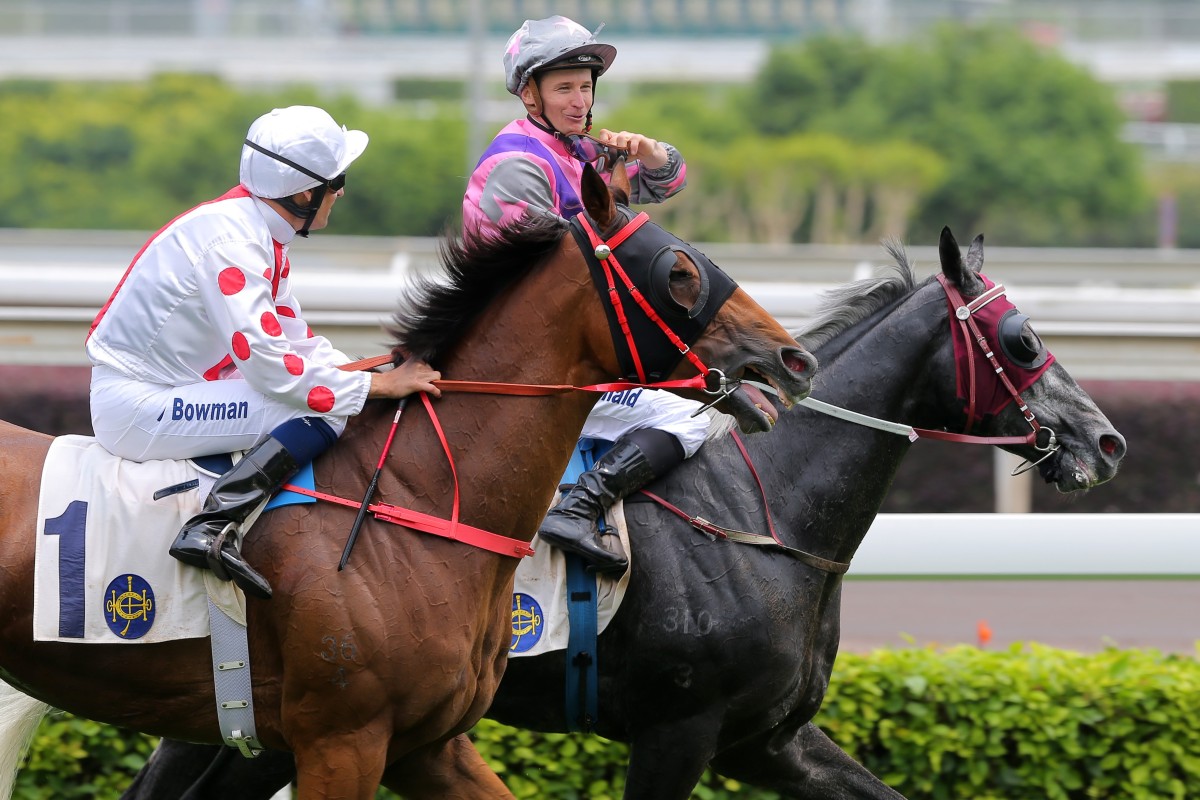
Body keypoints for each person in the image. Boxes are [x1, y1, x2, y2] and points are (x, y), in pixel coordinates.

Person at [87, 105, 441, 600]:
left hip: (175, 387)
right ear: (303, 192)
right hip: (137, 407)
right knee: (329, 410)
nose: (341, 193)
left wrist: (372, 366)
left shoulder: (258, 233)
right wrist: (373, 387)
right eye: (337, 181)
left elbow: (294, 340)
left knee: (331, 393)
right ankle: (211, 525)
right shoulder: (233, 241)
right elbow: (271, 367)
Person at [463, 16, 705, 575]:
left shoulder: (576, 151)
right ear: (530, 93)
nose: (579, 101)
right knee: (688, 419)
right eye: (564, 88)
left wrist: (645, 153)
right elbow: (562, 273)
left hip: (556, 349)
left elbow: (670, 180)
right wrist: (615, 191)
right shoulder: (516, 164)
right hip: (523, 361)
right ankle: (579, 507)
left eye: (586, 87)